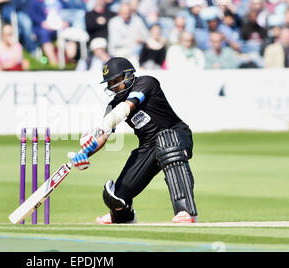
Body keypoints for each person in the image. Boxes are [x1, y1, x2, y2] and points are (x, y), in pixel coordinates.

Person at [69, 57, 198, 224]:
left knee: (168, 145)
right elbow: (104, 135)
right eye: (110, 83)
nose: (113, 87)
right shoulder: (112, 105)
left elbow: (126, 107)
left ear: (128, 76)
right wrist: (84, 153)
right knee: (117, 196)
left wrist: (102, 125)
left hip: (175, 134)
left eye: (116, 81)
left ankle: (186, 211)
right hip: (147, 146)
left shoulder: (146, 83)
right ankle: (124, 217)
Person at [107, 2, 149, 67]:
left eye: (127, 12)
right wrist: (133, 41)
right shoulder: (113, 22)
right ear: (119, 12)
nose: (126, 15)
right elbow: (115, 42)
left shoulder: (137, 20)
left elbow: (146, 36)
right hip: (118, 51)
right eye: (124, 13)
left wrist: (141, 40)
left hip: (135, 51)